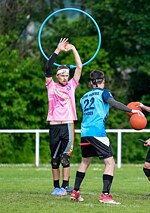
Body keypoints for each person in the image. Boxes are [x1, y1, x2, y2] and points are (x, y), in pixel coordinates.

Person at [70, 70, 144, 204]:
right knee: (110, 163)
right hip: (97, 132)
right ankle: (105, 195)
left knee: (85, 162)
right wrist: (131, 110)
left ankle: (75, 192)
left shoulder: (83, 97)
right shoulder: (104, 92)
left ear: (90, 82)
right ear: (102, 81)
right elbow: (113, 103)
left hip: (85, 133)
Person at [45, 38, 82, 196]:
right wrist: (58, 50)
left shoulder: (72, 85)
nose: (65, 77)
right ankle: (56, 187)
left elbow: (79, 67)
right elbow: (47, 67)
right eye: (62, 75)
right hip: (54, 125)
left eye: (67, 75)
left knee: (65, 158)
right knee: (54, 159)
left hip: (67, 124)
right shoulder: (51, 86)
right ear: (57, 76)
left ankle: (66, 186)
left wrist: (73, 49)